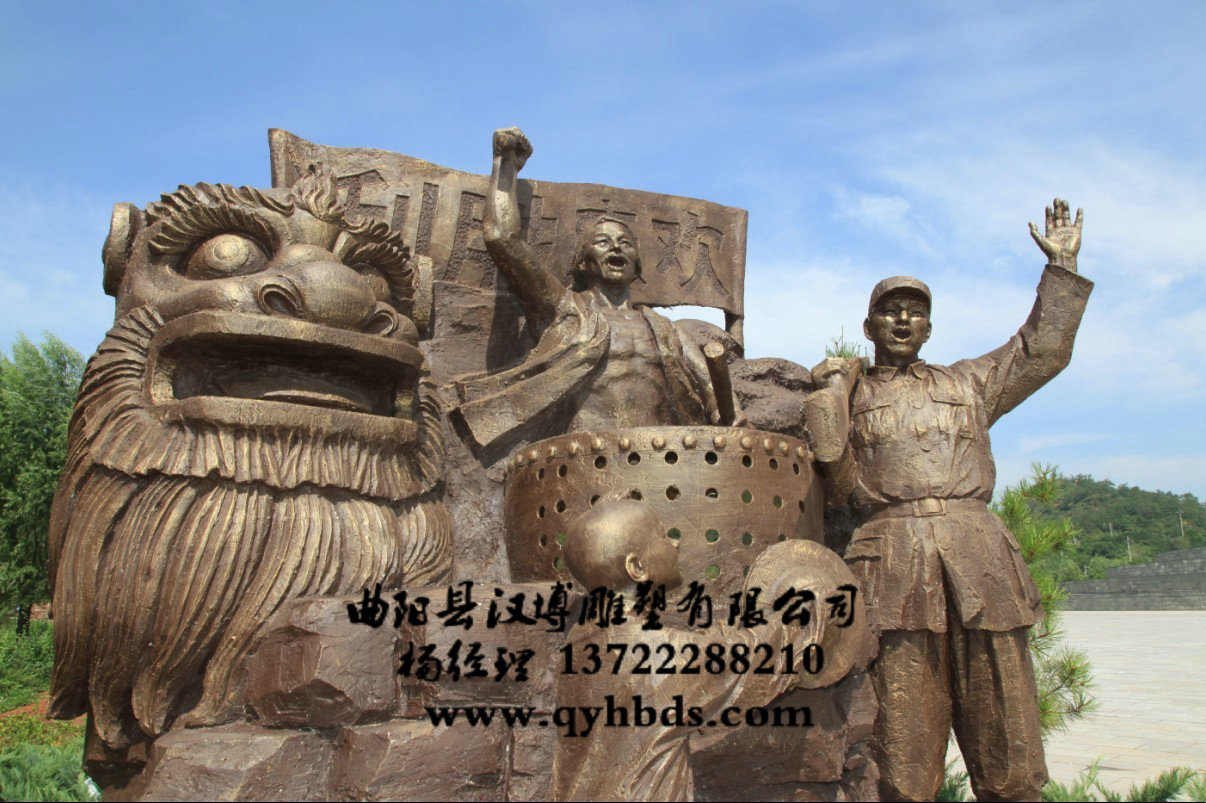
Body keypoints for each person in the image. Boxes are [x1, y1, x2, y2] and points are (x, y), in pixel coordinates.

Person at [815, 199, 1092, 801]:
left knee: (1010, 743)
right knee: (902, 757)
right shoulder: (849, 392)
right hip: (893, 567)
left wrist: (1062, 269)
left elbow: (1041, 351)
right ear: (868, 327)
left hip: (980, 564)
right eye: (890, 312)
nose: (903, 320)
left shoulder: (967, 383)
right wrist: (831, 392)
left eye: (916, 312)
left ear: (929, 329)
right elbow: (832, 480)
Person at [447, 128, 742, 449]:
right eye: (603, 242)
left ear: (637, 266)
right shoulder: (565, 311)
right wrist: (505, 166)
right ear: (583, 263)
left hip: (659, 459)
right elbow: (502, 239)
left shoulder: (668, 332)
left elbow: (716, 396)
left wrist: (730, 413)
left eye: (625, 243)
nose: (616, 247)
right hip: (582, 457)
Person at [552, 499, 841, 801]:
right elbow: (743, 658)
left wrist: (738, 623)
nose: (675, 542)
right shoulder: (651, 652)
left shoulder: (581, 639)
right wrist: (809, 607)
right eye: (663, 535)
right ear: (636, 567)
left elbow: (703, 651)